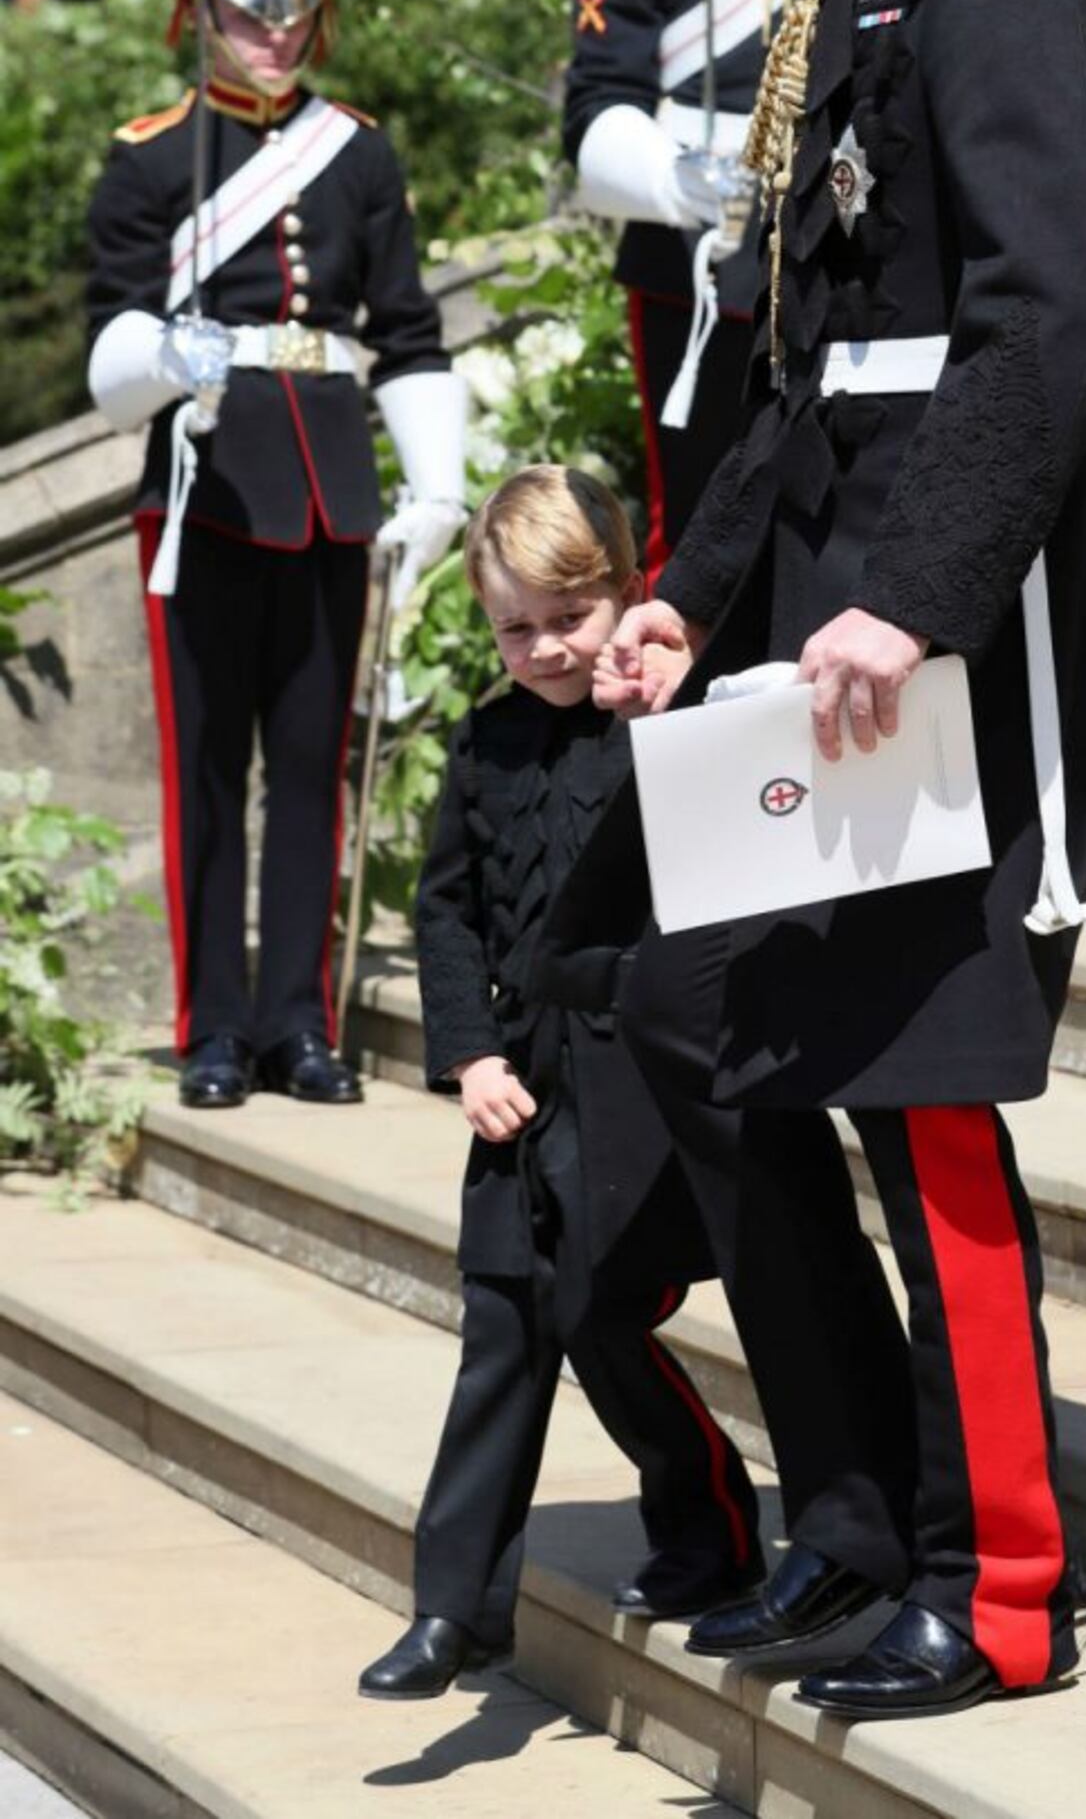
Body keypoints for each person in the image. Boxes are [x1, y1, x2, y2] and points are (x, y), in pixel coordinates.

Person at [539, 0, 1086, 1718]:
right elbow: (800, 390)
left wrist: (925, 589)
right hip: (824, 651)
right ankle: (863, 1510)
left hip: (941, 661)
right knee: (702, 1016)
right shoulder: (839, 5)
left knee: (931, 1102)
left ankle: (999, 1585)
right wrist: (696, 593)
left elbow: (1043, 321)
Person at [87, 0, 467, 1110]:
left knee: (313, 768)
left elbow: (407, 329)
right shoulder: (148, 153)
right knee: (208, 774)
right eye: (249, 7)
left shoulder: (358, 153)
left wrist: (437, 483)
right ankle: (212, 1025)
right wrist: (162, 361)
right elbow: (109, 340)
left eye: (292, 9)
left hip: (326, 486)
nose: (272, 31)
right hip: (201, 486)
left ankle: (301, 1021)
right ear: (207, 5)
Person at [356, 467, 762, 1702]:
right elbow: (446, 913)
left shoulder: (663, 723)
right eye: (512, 626)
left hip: (640, 1084)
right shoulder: (483, 744)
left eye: (565, 618)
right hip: (518, 1089)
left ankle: (711, 1524)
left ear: (623, 593)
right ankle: (451, 1609)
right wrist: (468, 1053)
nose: (540, 649)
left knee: (596, 1310)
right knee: (499, 1330)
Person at [563, 0, 812, 584]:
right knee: (700, 520)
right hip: (698, 256)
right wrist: (671, 178)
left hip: (840, 231)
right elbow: (599, 97)